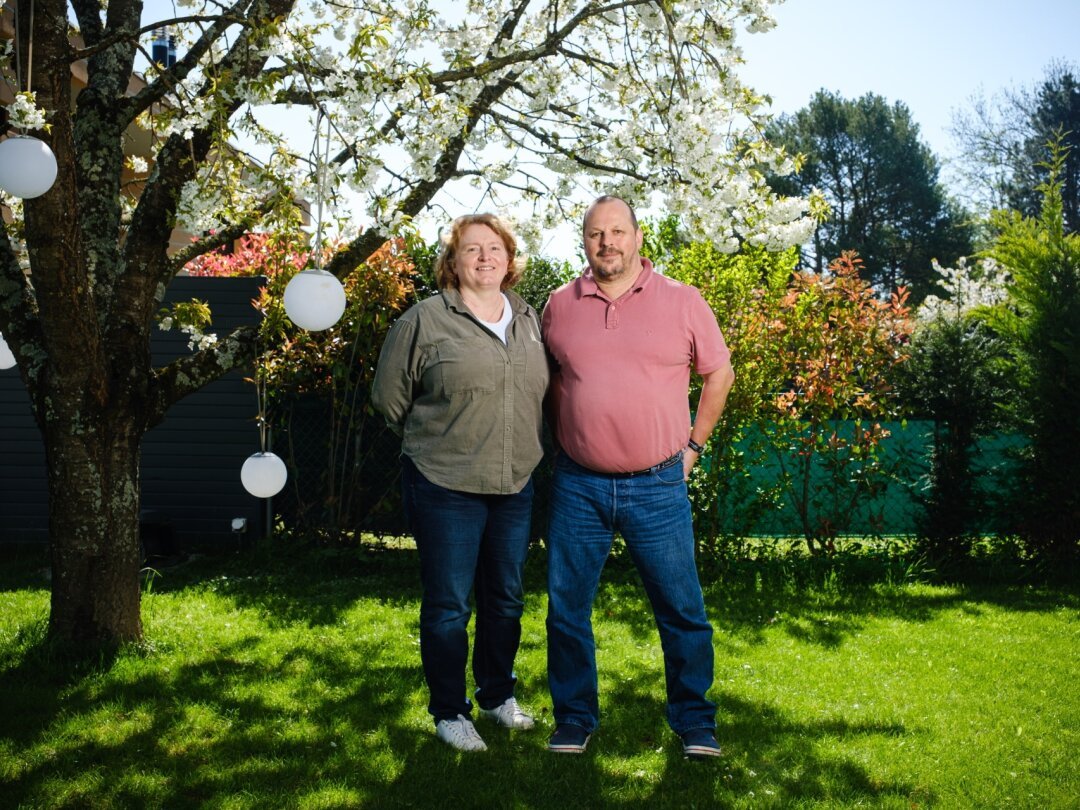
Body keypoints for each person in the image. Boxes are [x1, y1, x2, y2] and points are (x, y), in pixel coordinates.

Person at [541, 195, 735, 758]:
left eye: (618, 232)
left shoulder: (682, 300)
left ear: (638, 236)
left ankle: (696, 721)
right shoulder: (559, 305)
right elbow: (550, 384)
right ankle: (574, 718)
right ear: (585, 241)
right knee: (567, 609)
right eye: (597, 234)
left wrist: (694, 446)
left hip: (658, 484)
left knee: (682, 609)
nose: (609, 243)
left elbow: (719, 374)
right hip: (579, 483)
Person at [372, 213, 549, 752]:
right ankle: (449, 711)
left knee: (506, 601)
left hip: (515, 484)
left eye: (495, 248)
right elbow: (388, 399)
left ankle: (497, 696)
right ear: (452, 262)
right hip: (445, 484)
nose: (484, 257)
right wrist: (440, 440)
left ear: (509, 259)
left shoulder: (527, 318)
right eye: (471, 249)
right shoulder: (423, 320)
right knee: (450, 604)